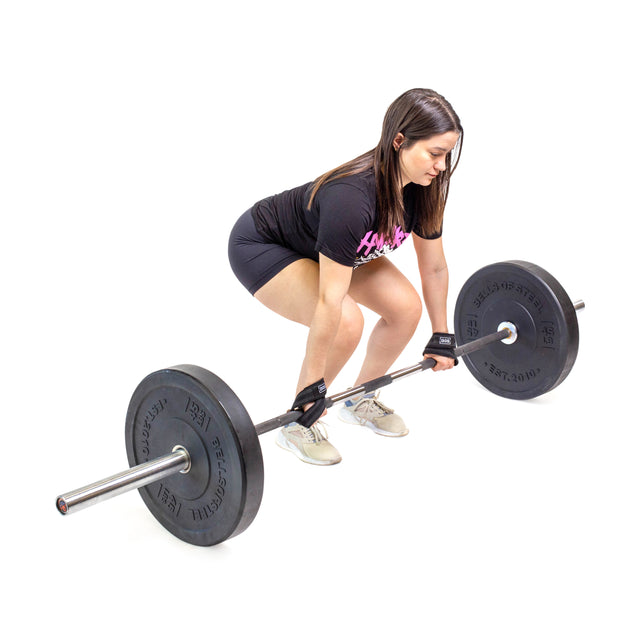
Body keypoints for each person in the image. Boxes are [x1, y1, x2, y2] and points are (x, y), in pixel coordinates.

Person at [228, 88, 463, 466]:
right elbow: (329, 301)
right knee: (346, 321)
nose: (441, 165)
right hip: (263, 244)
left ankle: (359, 399)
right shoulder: (352, 199)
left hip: (333, 248)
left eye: (447, 154)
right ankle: (298, 421)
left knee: (405, 309)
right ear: (399, 141)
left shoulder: (425, 189)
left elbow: (433, 266)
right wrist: (312, 384)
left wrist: (441, 334)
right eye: (434, 153)